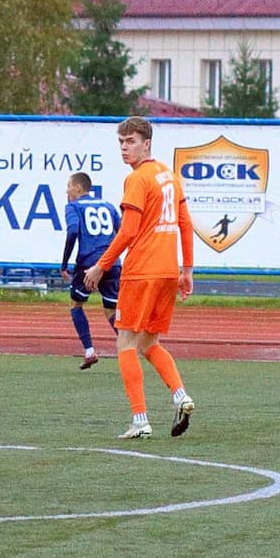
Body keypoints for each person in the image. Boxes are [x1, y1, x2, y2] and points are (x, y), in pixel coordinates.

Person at [84, 116, 196, 439]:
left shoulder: (137, 179)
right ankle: (181, 396)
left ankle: (140, 419)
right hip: (166, 272)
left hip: (141, 272)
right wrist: (186, 270)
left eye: (130, 141)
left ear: (146, 143)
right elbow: (185, 223)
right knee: (150, 342)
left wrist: (101, 266)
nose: (124, 148)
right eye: (121, 142)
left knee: (125, 341)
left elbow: (129, 231)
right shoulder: (169, 175)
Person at [59, 172, 119, 368]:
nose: (66, 190)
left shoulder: (73, 207)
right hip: (112, 262)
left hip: (87, 264)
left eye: (68, 186)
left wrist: (65, 262)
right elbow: (122, 233)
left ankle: (89, 351)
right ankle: (131, 344)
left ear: (77, 188)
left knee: (76, 304)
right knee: (111, 309)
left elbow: (73, 231)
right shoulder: (108, 206)